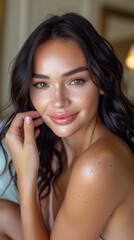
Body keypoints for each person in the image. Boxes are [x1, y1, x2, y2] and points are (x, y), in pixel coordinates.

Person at [0, 12, 134, 240]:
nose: (59, 101)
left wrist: (26, 179)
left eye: (75, 81)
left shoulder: (99, 164)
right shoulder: (55, 150)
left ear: (101, 83)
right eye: (42, 84)